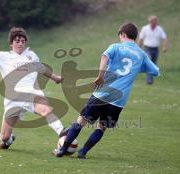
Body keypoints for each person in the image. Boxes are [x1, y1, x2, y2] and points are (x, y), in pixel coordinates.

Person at [52, 22, 160, 159]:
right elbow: (155, 71)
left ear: (122, 34)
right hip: (119, 100)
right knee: (101, 127)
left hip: (102, 93)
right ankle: (83, 152)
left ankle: (63, 150)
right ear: (135, 36)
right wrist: (137, 68)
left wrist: (100, 75)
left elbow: (104, 57)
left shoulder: (115, 47)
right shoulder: (142, 54)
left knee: (81, 121)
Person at [0, 20, 67, 149]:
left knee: (46, 110)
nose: (20, 43)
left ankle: (63, 133)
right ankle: (9, 140)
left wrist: (55, 77)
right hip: (13, 99)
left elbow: (41, 68)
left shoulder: (31, 55)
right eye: (17, 41)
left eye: (23, 41)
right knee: (4, 138)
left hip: (31, 93)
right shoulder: (3, 57)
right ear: (11, 43)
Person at [138, 15, 168, 85]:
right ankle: (149, 81)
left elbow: (164, 38)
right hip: (147, 48)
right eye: (152, 22)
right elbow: (141, 39)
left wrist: (165, 47)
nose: (154, 23)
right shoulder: (145, 28)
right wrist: (138, 48)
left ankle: (150, 79)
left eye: (155, 21)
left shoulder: (159, 29)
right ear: (150, 22)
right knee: (150, 62)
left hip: (155, 49)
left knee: (154, 65)